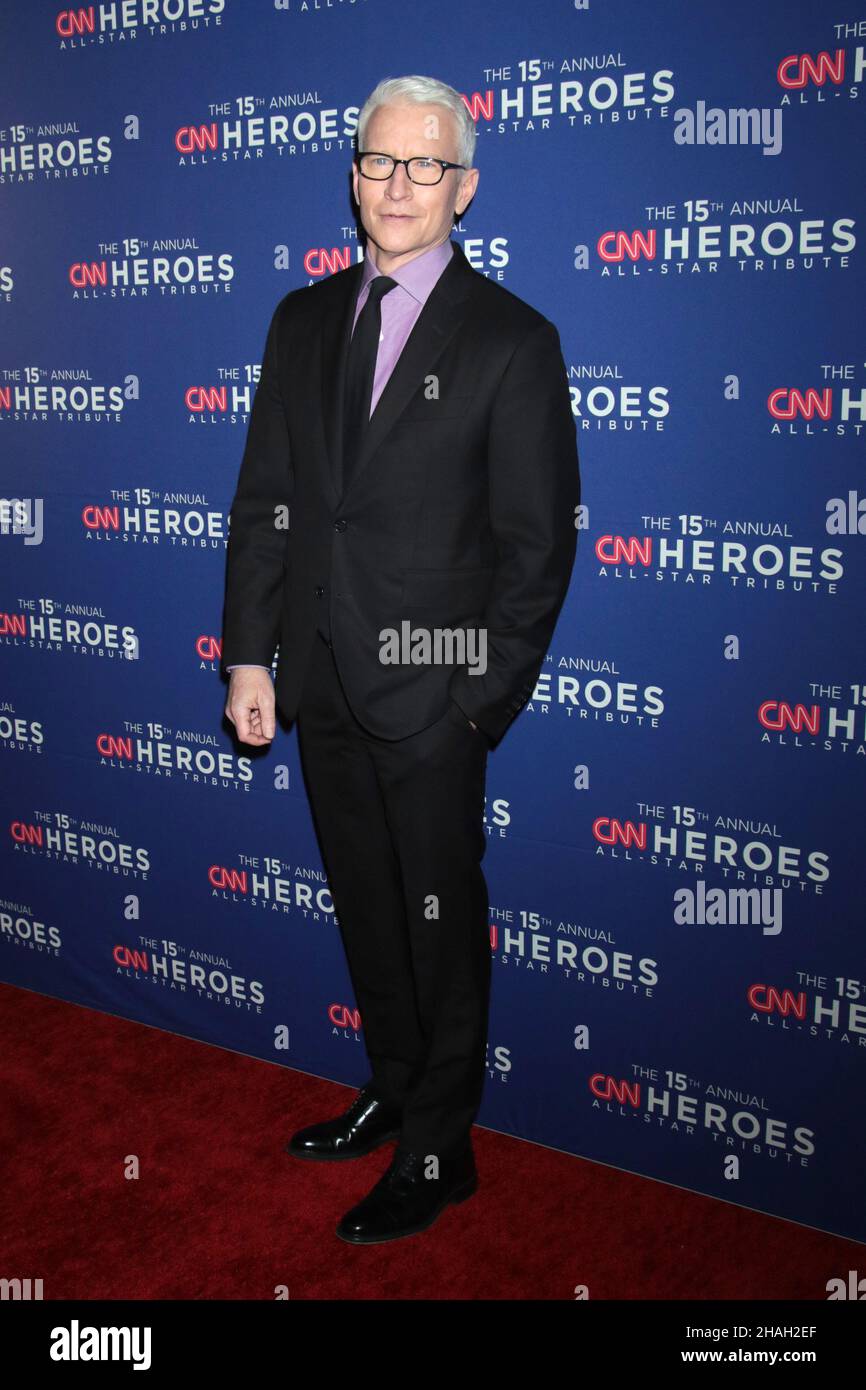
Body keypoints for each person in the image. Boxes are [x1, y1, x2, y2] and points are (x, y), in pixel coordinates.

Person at [221, 74, 580, 1244]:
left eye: (425, 165)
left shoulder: (514, 341)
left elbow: (534, 549)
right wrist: (250, 656)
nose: (398, 185)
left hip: (432, 694)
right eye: (379, 162)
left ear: (464, 188)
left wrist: (474, 701)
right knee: (368, 906)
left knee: (436, 916)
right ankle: (389, 1079)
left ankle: (441, 1144)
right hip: (317, 679)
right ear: (353, 176)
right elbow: (266, 503)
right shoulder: (300, 317)